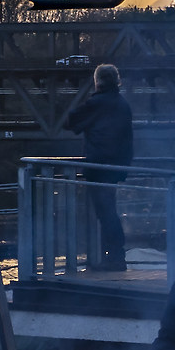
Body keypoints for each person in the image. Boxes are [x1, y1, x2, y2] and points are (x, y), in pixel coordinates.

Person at [62, 63, 135, 272]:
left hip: (99, 166)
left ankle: (114, 258)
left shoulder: (97, 103)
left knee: (106, 213)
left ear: (98, 81)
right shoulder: (122, 104)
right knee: (108, 211)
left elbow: (70, 122)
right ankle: (113, 257)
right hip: (116, 166)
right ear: (117, 80)